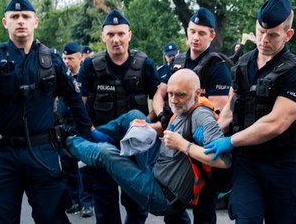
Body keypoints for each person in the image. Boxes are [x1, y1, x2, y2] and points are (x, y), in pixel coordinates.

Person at [0, 0, 92, 224]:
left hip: (43, 152)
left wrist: (86, 146)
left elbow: (76, 102)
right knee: (1, 217)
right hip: (2, 153)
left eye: (26, 16)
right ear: (4, 22)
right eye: (14, 16)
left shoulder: (53, 60)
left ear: (35, 22)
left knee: (53, 217)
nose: (20, 21)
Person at [204, 0, 296, 223]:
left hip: (285, 165)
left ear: (288, 34)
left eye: (273, 35)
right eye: (260, 31)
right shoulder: (243, 64)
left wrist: (230, 141)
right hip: (248, 164)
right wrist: (211, 133)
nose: (264, 40)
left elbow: (275, 123)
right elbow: (231, 109)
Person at [65, 69, 232, 217]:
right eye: (171, 94)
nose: (173, 100)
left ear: (197, 93)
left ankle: (66, 141)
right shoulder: (182, 107)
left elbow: (224, 161)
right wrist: (148, 127)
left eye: (181, 95)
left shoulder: (201, 115)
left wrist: (184, 145)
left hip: (161, 195)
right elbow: (167, 127)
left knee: (106, 153)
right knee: (135, 116)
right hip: (156, 166)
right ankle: (94, 135)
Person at [77, 9, 164, 224]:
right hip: (102, 143)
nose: (116, 39)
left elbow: (157, 94)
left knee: (136, 206)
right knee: (105, 206)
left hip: (135, 144)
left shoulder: (145, 64)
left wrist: (152, 118)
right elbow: (81, 102)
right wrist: (88, 132)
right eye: (111, 34)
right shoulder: (90, 65)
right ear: (103, 37)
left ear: (129, 35)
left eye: (121, 34)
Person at [157, 7, 233, 223]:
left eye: (201, 33)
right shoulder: (178, 61)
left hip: (201, 153)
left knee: (204, 211)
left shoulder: (217, 66)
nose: (195, 37)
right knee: (172, 211)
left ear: (212, 35)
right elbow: (161, 94)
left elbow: (217, 113)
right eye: (192, 31)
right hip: (174, 150)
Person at [58, 42, 94, 218]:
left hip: (80, 126)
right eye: (64, 58)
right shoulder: (61, 78)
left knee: (83, 168)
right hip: (65, 127)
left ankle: (87, 202)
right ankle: (74, 201)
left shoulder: (84, 77)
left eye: (70, 58)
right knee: (68, 167)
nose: (66, 62)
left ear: (79, 57)